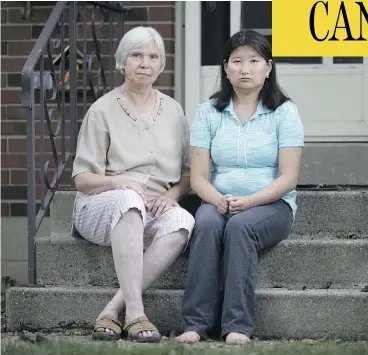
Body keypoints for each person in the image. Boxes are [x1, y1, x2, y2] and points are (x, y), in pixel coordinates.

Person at [176, 29, 304, 345]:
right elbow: (198, 178)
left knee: (239, 229)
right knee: (204, 224)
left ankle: (237, 325)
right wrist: (218, 200)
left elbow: (288, 178)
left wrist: (249, 202)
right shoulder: (208, 112)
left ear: (268, 67)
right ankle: (194, 324)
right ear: (226, 67)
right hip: (218, 200)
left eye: (254, 61)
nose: (245, 69)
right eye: (237, 61)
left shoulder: (285, 113)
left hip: (271, 205)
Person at [71, 26, 195, 343]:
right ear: (122, 62)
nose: (145, 63)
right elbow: (82, 179)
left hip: (151, 209)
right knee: (127, 200)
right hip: (101, 207)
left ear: (161, 64)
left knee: (184, 220)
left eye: (153, 56)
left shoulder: (174, 111)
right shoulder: (102, 110)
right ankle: (137, 314)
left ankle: (113, 309)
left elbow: (189, 173)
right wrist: (117, 181)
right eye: (136, 55)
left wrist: (173, 193)